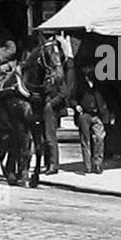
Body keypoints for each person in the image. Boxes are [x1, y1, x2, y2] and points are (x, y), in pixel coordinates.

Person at [42, 40, 77, 176]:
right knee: (45, 138)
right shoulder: (49, 74)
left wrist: (51, 103)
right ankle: (47, 163)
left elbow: (64, 92)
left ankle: (53, 165)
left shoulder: (59, 75)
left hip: (51, 108)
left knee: (50, 137)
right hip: (46, 106)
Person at [73, 72, 111, 175]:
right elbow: (72, 98)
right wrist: (76, 106)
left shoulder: (100, 86)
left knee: (99, 138)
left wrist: (107, 114)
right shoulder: (80, 87)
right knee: (86, 140)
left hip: (97, 114)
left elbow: (107, 100)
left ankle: (97, 163)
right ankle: (87, 165)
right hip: (85, 114)